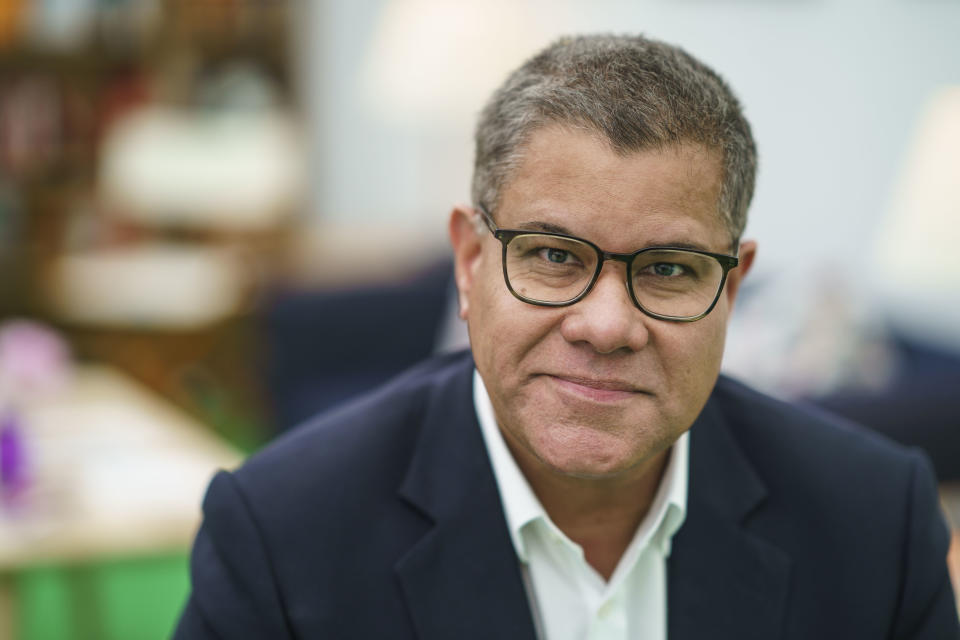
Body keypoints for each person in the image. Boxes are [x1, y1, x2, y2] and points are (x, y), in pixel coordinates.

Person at [174, 34, 959, 639]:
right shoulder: (282, 534)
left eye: (669, 270)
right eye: (553, 256)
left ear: (733, 285)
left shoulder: (876, 521)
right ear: (471, 261)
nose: (607, 325)